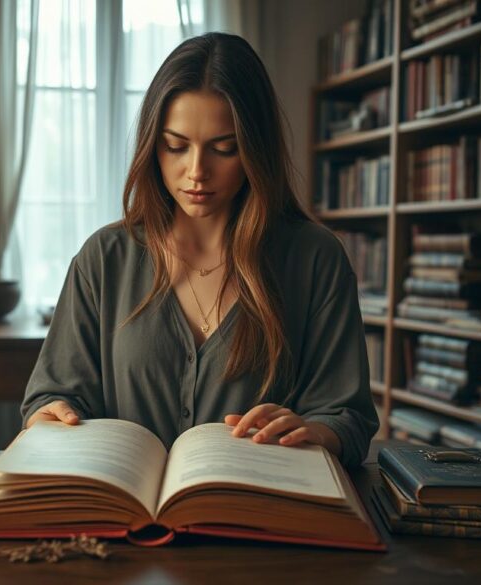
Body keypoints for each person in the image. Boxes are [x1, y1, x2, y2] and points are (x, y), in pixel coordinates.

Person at [20, 32, 378, 467]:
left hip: (262, 519)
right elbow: (53, 395)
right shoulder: (104, 259)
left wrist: (320, 431)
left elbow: (350, 418)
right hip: (121, 527)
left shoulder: (314, 258)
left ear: (255, 149)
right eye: (175, 146)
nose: (196, 172)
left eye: (224, 149)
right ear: (153, 145)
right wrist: (50, 415)